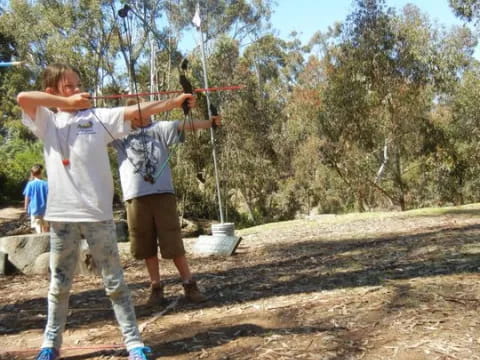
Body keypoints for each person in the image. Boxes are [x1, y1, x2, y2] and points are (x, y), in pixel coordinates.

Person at [16, 63, 194, 360]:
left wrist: (175, 102)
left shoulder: (97, 118)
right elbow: (24, 97)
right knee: (59, 285)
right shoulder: (47, 120)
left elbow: (137, 111)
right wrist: (66, 104)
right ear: (52, 93)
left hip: (98, 215)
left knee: (115, 283)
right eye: (68, 86)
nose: (77, 90)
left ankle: (134, 342)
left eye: (78, 84)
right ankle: (50, 345)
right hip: (63, 217)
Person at [112, 98, 221, 306]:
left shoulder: (159, 128)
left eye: (147, 108)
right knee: (145, 245)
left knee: (173, 242)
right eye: (139, 110)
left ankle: (189, 284)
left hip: (163, 194)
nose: (146, 113)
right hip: (135, 196)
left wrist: (210, 123)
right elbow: (96, 124)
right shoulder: (119, 133)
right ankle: (156, 288)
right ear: (130, 114)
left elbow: (186, 124)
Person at [23, 164, 49, 233]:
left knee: (37, 226)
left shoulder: (30, 184)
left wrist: (25, 207)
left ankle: (39, 238)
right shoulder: (45, 184)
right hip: (45, 209)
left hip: (34, 209)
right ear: (41, 173)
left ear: (32, 174)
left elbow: (27, 196)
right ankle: (45, 240)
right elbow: (49, 196)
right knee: (45, 226)